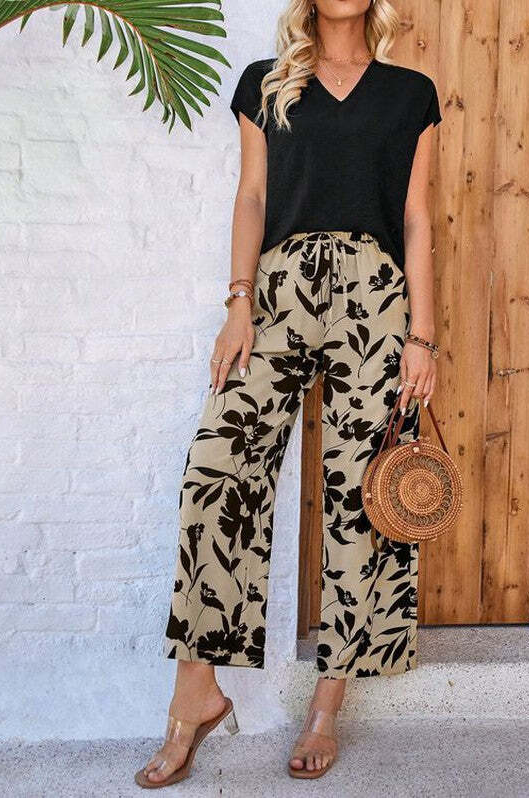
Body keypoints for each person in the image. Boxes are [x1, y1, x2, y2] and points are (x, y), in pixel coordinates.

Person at [135, 0, 441, 787]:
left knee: (360, 495)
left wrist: (423, 335)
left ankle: (327, 705)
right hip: (276, 289)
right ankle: (195, 693)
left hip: (375, 296)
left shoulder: (410, 94)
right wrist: (238, 302)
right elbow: (251, 196)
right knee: (218, 471)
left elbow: (416, 218)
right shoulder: (266, 83)